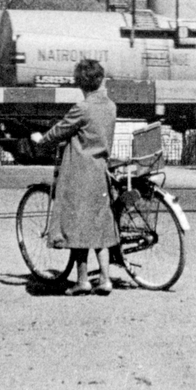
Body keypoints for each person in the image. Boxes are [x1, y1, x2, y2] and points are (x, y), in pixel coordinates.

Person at [30, 59, 121, 296]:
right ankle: (105, 278)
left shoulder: (83, 107)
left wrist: (42, 140)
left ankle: (82, 281)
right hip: (101, 172)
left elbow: (60, 130)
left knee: (77, 225)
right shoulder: (111, 106)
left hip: (79, 173)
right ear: (100, 79)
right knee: (100, 225)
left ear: (81, 83)